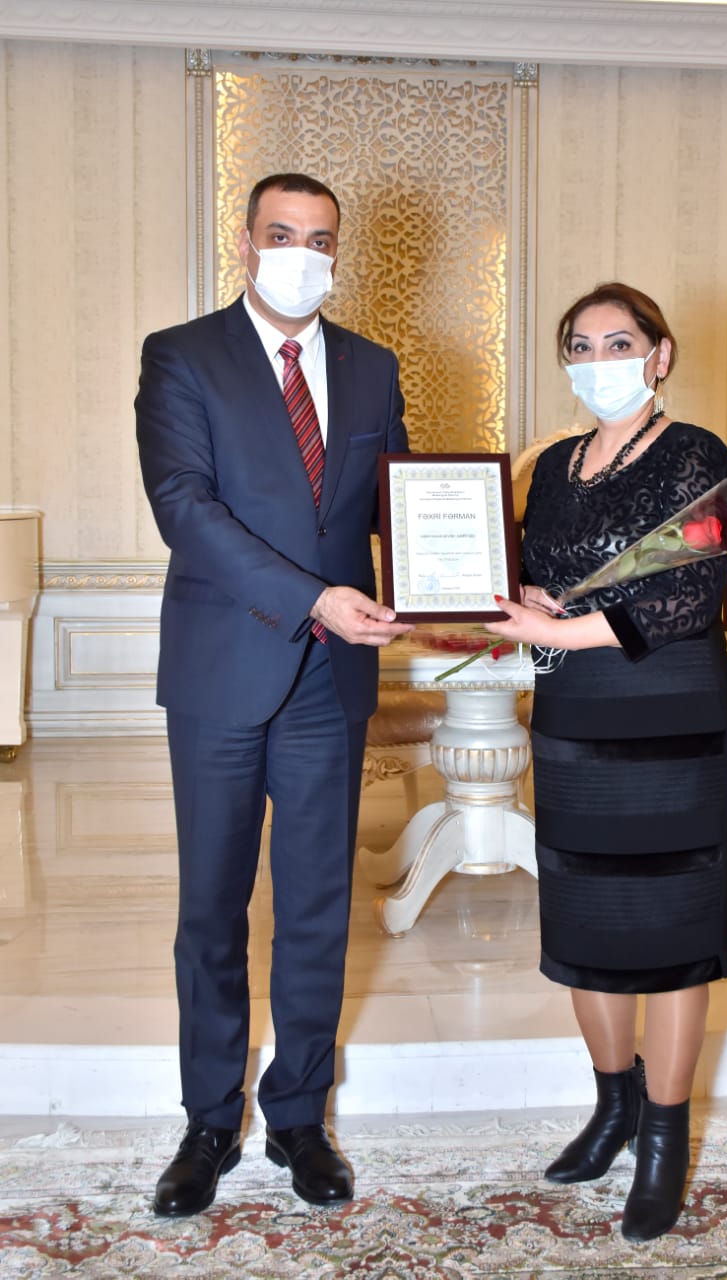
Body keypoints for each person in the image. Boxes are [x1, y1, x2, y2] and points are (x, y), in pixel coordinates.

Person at [135, 173, 412, 1217]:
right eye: (283, 233)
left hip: (328, 681)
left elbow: (397, 504)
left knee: (316, 906)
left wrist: (461, 583)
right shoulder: (182, 355)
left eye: (321, 238)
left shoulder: (374, 366)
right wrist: (313, 598)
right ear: (246, 242)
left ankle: (299, 1114)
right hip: (222, 668)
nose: (303, 252)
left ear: (338, 251)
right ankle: (210, 1120)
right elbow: (184, 507)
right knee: (211, 907)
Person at [484, 282, 727, 1242]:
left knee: (670, 929)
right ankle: (613, 1106)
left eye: (619, 343)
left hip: (674, 714)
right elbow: (541, 576)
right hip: (574, 713)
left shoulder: (697, 454)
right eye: (580, 347)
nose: (598, 363)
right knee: (585, 916)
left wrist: (562, 628)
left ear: (659, 355)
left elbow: (688, 594)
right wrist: (522, 600)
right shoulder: (552, 466)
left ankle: (665, 1139)